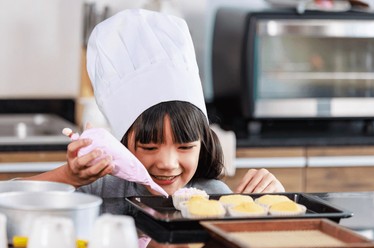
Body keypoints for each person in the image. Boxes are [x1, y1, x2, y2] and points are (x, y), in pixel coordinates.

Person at [23, 9, 284, 197]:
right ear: (124, 142)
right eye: (149, 146)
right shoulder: (98, 188)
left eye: (185, 146)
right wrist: (68, 177)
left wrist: (272, 200)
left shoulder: (215, 195)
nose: (168, 163)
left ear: (203, 144)